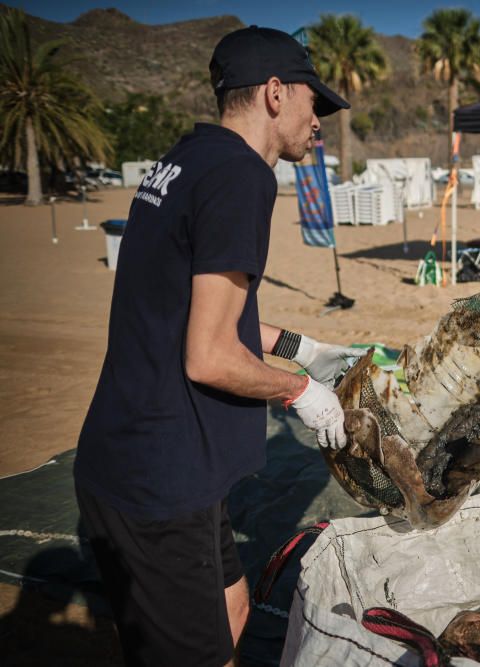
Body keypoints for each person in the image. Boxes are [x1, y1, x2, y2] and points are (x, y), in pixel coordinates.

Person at [74, 27, 362, 666]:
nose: (320, 122)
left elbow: (191, 310)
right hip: (158, 479)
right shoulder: (242, 177)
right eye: (314, 103)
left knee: (234, 608)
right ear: (275, 93)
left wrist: (300, 347)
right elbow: (206, 355)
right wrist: (303, 391)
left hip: (156, 463)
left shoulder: (188, 158)